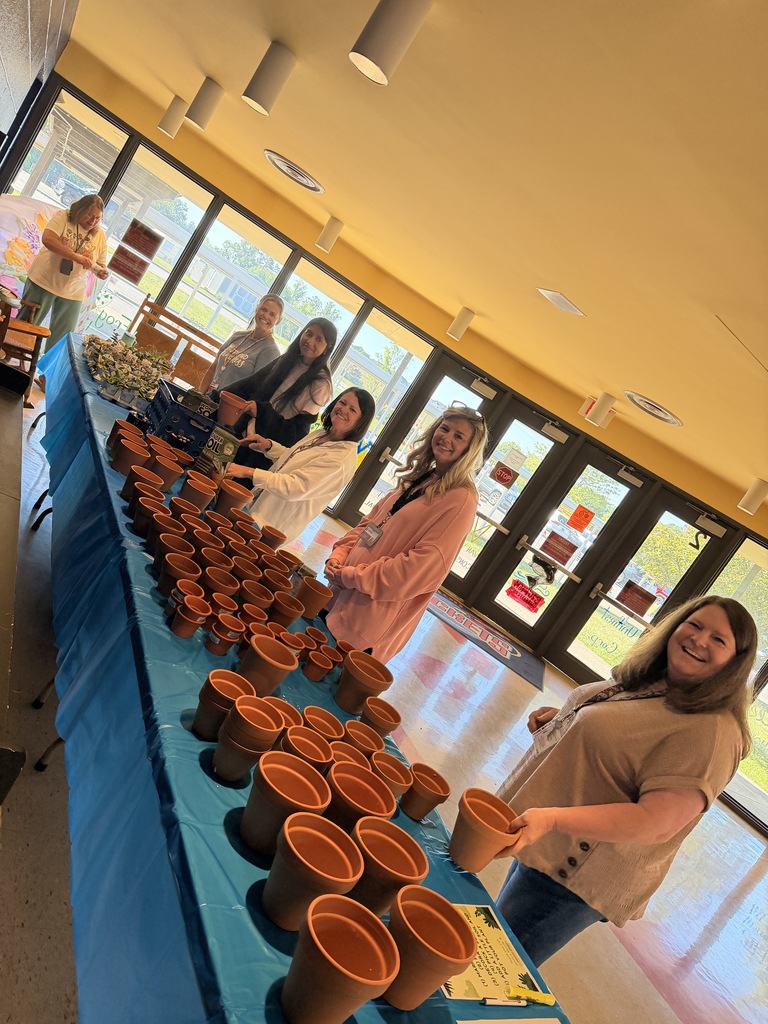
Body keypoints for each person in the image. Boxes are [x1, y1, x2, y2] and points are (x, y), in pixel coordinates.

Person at [493, 595, 757, 967]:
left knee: (493, 965)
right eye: (695, 625)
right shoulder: (658, 683)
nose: (699, 640)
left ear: (735, 661)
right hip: (545, 841)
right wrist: (569, 720)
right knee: (489, 941)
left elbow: (654, 822)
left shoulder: (712, 732)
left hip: (572, 873)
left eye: (719, 639)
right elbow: (630, 738)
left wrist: (550, 819)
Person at [323, 403, 488, 663]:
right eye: (444, 429)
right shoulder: (424, 478)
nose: (446, 438)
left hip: (364, 626)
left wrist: (354, 577)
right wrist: (340, 555)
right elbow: (370, 523)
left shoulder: (461, 500)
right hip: (338, 596)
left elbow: (416, 571)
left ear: (470, 449)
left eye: (459, 436)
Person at [224, 388, 375, 543]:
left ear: (360, 422)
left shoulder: (340, 460)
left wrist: (249, 472)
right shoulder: (323, 434)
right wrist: (269, 446)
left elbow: (296, 486)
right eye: (342, 402)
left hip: (269, 527)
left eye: (352, 410)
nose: (343, 409)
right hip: (255, 508)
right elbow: (294, 457)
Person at [221, 317, 337, 474]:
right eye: (308, 334)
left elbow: (296, 431)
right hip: (243, 434)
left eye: (319, 339)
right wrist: (218, 396)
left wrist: (261, 411)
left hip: (264, 453)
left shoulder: (321, 384)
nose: (310, 341)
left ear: (327, 347)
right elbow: (250, 384)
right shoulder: (287, 359)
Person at [16, 195, 108, 352]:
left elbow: (99, 264)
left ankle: (46, 375)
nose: (92, 221)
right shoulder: (64, 217)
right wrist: (76, 256)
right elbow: (48, 239)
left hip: (73, 290)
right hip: (44, 280)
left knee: (63, 338)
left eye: (97, 218)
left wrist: (100, 271)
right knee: (26, 325)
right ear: (79, 210)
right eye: (89, 215)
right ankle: (9, 362)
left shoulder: (99, 236)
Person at [203, 293, 284, 392]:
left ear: (278, 320)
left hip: (228, 404)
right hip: (207, 397)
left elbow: (256, 390)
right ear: (256, 309)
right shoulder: (238, 336)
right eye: (263, 309)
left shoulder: (271, 351)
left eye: (272, 314)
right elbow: (213, 369)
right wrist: (198, 395)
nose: (266, 315)